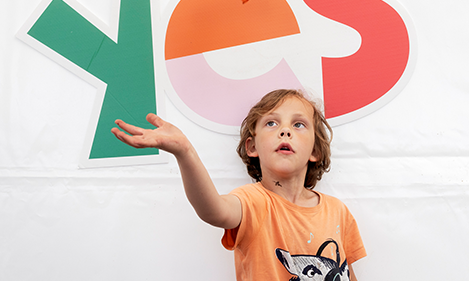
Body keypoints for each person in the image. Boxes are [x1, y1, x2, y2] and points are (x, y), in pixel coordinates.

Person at [111, 89, 366, 281]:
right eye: (271, 123)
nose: (285, 131)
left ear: (315, 151)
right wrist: (185, 152)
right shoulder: (252, 201)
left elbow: (347, 272)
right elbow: (214, 210)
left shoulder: (337, 211)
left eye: (298, 124)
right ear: (252, 147)